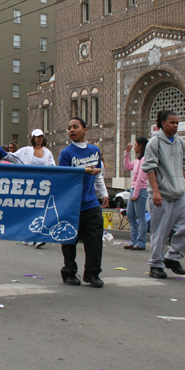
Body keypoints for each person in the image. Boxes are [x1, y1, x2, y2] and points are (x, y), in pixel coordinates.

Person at [141, 110, 185, 279]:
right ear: (163, 123)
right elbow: (149, 168)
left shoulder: (180, 143)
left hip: (179, 193)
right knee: (160, 231)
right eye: (172, 122)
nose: (175, 126)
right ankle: (156, 265)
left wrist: (181, 182)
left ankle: (173, 257)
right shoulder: (154, 143)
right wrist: (155, 192)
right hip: (161, 194)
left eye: (177, 123)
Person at [58, 117, 109, 288]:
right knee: (69, 240)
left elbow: (98, 174)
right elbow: (65, 178)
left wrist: (104, 193)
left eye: (75, 127)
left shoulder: (94, 150)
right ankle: (69, 272)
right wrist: (84, 171)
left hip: (91, 203)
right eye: (69, 127)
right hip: (72, 205)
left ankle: (92, 274)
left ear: (85, 130)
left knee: (94, 240)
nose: (71, 130)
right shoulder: (66, 153)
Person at [15, 129, 56, 248]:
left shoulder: (47, 152)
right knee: (29, 211)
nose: (40, 139)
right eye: (37, 137)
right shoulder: (26, 150)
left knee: (41, 211)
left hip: (42, 186)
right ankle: (28, 236)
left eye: (41, 137)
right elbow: (12, 158)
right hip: (28, 185)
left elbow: (53, 166)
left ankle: (38, 237)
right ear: (33, 138)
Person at [123, 137, 149, 251]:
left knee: (140, 217)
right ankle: (133, 241)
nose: (135, 147)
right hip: (134, 188)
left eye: (136, 145)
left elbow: (141, 179)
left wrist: (136, 194)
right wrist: (126, 154)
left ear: (141, 146)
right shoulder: (138, 160)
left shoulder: (145, 160)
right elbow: (127, 166)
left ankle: (141, 242)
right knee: (130, 215)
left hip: (141, 189)